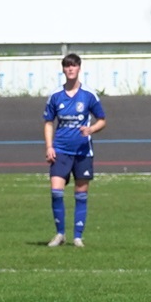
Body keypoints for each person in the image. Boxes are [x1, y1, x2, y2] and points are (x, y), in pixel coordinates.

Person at [43, 53, 107, 248]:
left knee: (81, 193)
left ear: (79, 68)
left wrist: (91, 129)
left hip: (83, 152)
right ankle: (60, 234)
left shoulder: (88, 95)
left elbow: (102, 120)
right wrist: (49, 146)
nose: (70, 69)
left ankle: (78, 236)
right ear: (63, 69)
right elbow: (48, 122)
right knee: (56, 191)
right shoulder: (56, 95)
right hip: (61, 150)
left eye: (74, 65)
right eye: (67, 66)